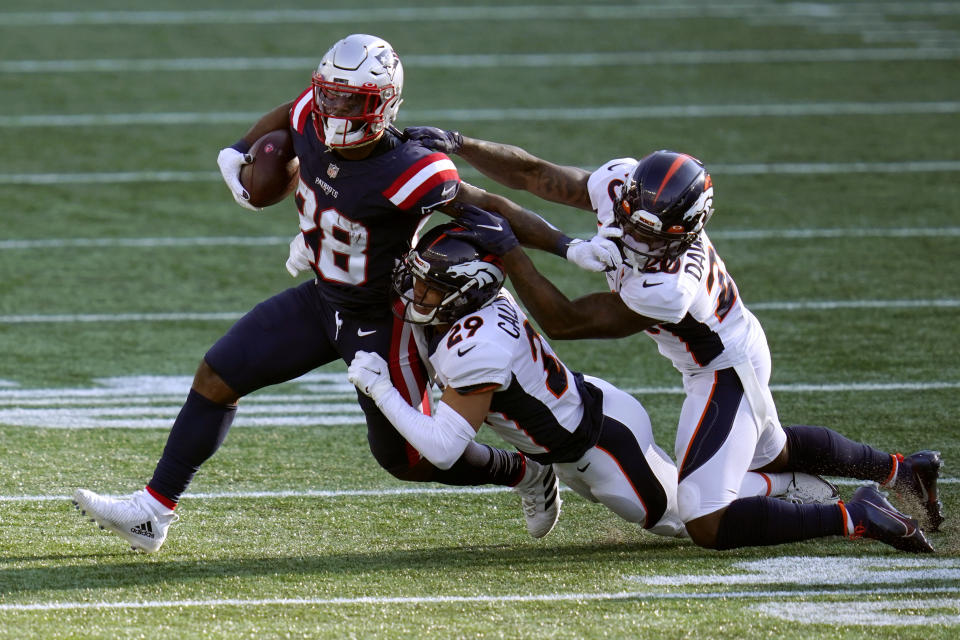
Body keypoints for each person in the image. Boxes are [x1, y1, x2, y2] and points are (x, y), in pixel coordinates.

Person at [70, 34, 622, 553]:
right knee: (218, 374)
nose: (333, 109)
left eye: (350, 100)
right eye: (329, 93)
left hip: (385, 319)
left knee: (404, 458)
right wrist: (237, 150)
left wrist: (568, 245)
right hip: (325, 297)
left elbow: (491, 208)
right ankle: (154, 511)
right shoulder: (316, 110)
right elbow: (287, 116)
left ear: (383, 105)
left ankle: (524, 471)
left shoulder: (412, 168)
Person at [404, 127, 943, 552]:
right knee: (771, 453)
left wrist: (510, 252)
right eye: (628, 220)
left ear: (685, 229)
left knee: (704, 517)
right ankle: (905, 470)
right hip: (729, 347)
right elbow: (537, 176)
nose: (633, 234)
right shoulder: (624, 187)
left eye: (650, 232)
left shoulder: (669, 286)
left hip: (724, 368)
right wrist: (458, 146)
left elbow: (567, 321)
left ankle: (855, 515)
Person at [347, 222, 852, 540]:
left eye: (432, 285)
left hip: (601, 446)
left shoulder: (475, 346)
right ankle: (536, 477)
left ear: (467, 293)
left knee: (685, 519)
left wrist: (380, 388)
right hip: (583, 425)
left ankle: (790, 486)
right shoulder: (471, 313)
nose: (417, 292)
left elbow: (442, 448)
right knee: (681, 489)